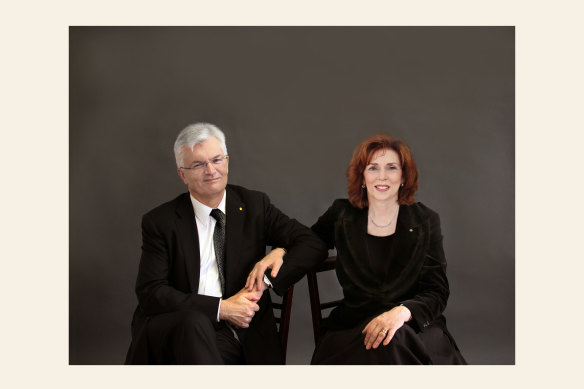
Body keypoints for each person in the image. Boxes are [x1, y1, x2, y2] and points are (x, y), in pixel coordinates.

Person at [124, 122, 327, 364]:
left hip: (235, 332)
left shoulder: (254, 206)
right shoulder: (161, 222)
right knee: (193, 323)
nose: (211, 170)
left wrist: (276, 259)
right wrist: (221, 308)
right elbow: (151, 292)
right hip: (177, 329)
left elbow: (313, 243)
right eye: (198, 164)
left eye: (216, 160)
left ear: (227, 162)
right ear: (182, 174)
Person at [309, 133, 466, 364]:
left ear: (403, 176)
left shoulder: (425, 220)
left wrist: (401, 312)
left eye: (391, 167)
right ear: (362, 177)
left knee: (394, 340)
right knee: (384, 344)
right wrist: (278, 253)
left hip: (412, 326)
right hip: (354, 326)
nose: (382, 176)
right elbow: (308, 243)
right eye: (373, 168)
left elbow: (437, 291)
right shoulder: (341, 214)